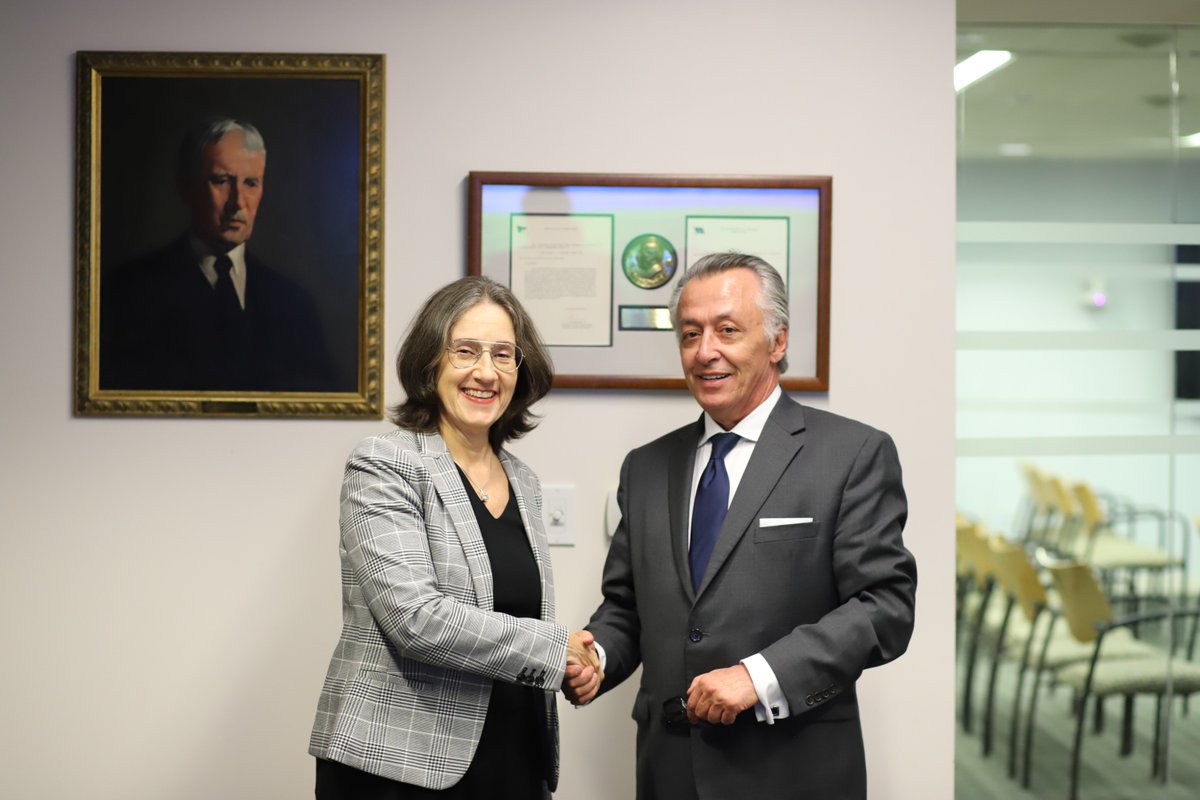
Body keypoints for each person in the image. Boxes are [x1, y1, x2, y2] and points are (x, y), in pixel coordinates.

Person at [569, 252, 917, 800]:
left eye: (727, 330)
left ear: (777, 342)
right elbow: (627, 606)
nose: (705, 351)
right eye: (690, 334)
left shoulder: (852, 454)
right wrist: (597, 657)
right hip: (671, 771)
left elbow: (885, 606)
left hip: (794, 769)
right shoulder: (646, 466)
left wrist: (758, 677)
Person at [310, 276, 601, 799]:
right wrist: (554, 651)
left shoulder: (525, 482)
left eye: (503, 355)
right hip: (399, 768)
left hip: (514, 760)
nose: (485, 372)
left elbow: (515, 615)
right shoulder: (384, 463)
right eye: (465, 351)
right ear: (430, 363)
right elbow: (415, 619)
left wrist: (573, 665)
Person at [99, 117, 339, 392]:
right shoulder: (129, 292)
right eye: (222, 181)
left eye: (251, 183)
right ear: (186, 188)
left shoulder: (295, 304)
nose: (237, 202)